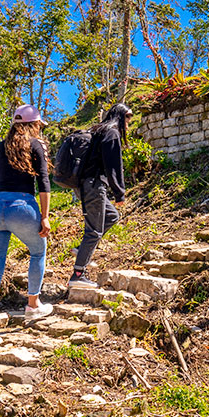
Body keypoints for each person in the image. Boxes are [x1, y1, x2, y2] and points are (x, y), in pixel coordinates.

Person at [0, 104, 53, 347]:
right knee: (38, 250)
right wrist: (44, 216)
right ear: (33, 125)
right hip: (22, 206)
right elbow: (43, 183)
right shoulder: (35, 146)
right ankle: (32, 304)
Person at [69, 103, 132, 289]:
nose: (129, 121)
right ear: (120, 116)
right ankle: (78, 274)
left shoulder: (98, 130)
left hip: (84, 184)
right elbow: (114, 166)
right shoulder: (112, 133)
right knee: (94, 230)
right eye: (128, 116)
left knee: (112, 216)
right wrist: (119, 193)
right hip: (94, 185)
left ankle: (81, 251)